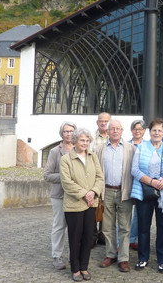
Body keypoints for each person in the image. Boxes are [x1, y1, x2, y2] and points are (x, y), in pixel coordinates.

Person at [130, 118, 163, 273]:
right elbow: (134, 170)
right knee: (143, 227)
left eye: (160, 130)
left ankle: (162, 260)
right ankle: (143, 258)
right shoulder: (141, 147)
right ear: (150, 132)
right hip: (145, 192)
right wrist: (152, 182)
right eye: (154, 130)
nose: (157, 133)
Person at [60, 128, 104, 282]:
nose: (85, 143)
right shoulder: (66, 159)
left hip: (91, 205)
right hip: (75, 205)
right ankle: (75, 269)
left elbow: (100, 177)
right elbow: (66, 183)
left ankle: (84, 267)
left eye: (87, 140)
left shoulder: (93, 157)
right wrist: (85, 193)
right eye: (82, 140)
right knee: (75, 237)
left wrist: (93, 192)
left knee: (88, 237)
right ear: (75, 141)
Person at [95, 120, 136, 272]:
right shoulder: (100, 149)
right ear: (108, 130)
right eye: (112, 129)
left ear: (122, 130)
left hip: (124, 192)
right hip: (106, 191)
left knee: (125, 226)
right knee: (107, 226)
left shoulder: (130, 149)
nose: (115, 131)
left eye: (118, 129)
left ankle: (123, 258)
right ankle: (111, 254)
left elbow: (134, 172)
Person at [44, 121, 76, 270]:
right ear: (61, 134)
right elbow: (47, 175)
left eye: (71, 131)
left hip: (76, 196)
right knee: (59, 226)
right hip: (59, 195)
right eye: (66, 131)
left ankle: (73, 255)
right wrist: (65, 177)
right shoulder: (55, 151)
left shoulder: (80, 149)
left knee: (75, 228)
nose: (69, 134)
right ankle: (57, 256)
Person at [90, 112, 111, 246]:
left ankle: (103, 236)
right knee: (93, 207)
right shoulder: (91, 138)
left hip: (109, 178)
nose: (103, 123)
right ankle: (92, 237)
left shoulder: (114, 137)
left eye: (106, 121)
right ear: (97, 123)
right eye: (101, 121)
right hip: (94, 177)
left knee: (106, 208)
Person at [128, 119, 147, 250]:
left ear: (144, 131)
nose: (137, 131)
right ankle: (124, 240)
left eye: (140, 129)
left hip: (141, 184)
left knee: (138, 215)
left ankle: (134, 238)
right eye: (135, 129)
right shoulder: (126, 144)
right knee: (126, 214)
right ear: (131, 130)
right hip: (127, 182)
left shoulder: (148, 145)